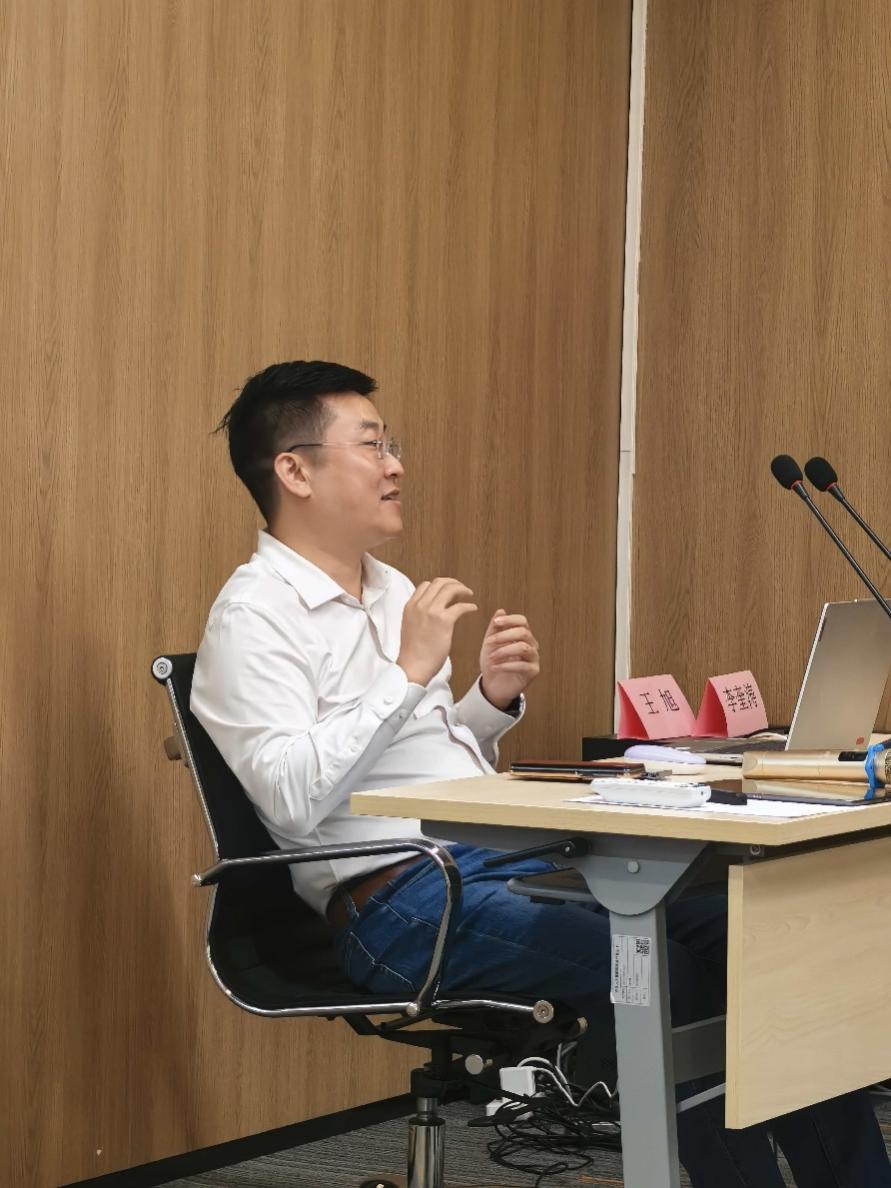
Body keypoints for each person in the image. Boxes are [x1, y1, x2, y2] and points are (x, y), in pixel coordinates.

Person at [191, 359, 891, 1187]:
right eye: (371, 445)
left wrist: (485, 702)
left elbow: (412, 762)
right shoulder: (252, 616)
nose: (395, 466)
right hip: (402, 904)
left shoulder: (389, 589)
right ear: (294, 471)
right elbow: (291, 799)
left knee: (764, 944)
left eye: (392, 444)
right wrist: (408, 672)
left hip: (498, 862)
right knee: (658, 974)